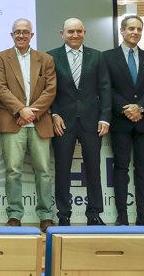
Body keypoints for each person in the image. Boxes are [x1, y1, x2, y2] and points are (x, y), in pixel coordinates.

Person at [0, 18, 57, 233]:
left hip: (39, 122)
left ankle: (46, 216)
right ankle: (14, 215)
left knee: (44, 171)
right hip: (13, 121)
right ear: (11, 35)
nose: (21, 35)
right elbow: (1, 89)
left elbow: (50, 90)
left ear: (32, 35)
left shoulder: (45, 59)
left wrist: (31, 113)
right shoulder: (1, 58)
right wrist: (21, 110)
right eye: (17, 32)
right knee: (12, 171)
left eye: (25, 32)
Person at [48, 18, 111, 226]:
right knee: (62, 169)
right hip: (62, 122)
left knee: (93, 168)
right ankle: (63, 215)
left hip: (92, 122)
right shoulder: (51, 57)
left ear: (84, 32)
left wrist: (105, 117)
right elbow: (49, 91)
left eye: (79, 31)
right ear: (62, 33)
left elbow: (105, 89)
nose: (75, 35)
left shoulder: (97, 57)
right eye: (70, 32)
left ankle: (94, 213)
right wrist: (53, 114)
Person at [103, 15, 144, 227]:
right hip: (120, 122)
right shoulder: (107, 57)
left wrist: (141, 107)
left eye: (138, 29)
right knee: (120, 168)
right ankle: (122, 216)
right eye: (130, 28)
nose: (135, 32)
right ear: (122, 31)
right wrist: (126, 108)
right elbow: (106, 87)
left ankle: (143, 216)